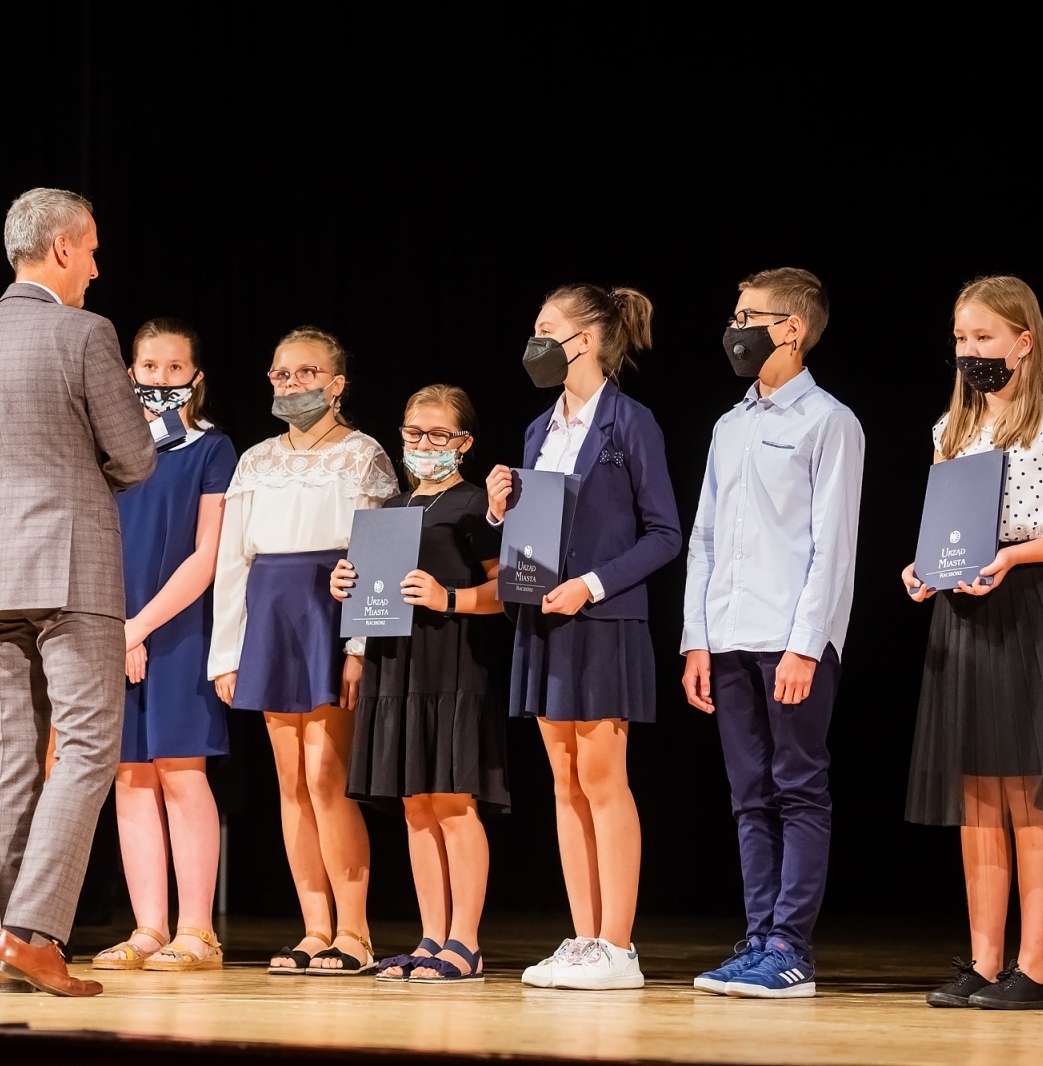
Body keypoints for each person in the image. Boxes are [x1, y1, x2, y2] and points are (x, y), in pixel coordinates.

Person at [0, 187, 156, 997]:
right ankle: (32, 933)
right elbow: (134, 459)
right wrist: (75, 474)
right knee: (91, 745)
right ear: (61, 249)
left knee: (10, 751)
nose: (97, 268)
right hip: (72, 567)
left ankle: (7, 935)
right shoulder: (84, 332)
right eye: (91, 249)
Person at [902, 275, 1043, 1011]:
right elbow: (946, 530)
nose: (970, 351)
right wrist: (924, 569)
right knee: (976, 800)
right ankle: (984, 963)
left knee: (1030, 797)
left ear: (1024, 342)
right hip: (965, 615)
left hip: (1033, 609)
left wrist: (1017, 556)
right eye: (961, 339)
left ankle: (1036, 968)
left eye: (984, 337)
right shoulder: (950, 431)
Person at [487, 284, 681, 991]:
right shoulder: (541, 430)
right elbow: (538, 536)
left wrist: (592, 584)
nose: (535, 340)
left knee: (603, 780)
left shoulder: (630, 423)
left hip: (603, 621)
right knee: (564, 784)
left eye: (547, 328)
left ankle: (618, 945)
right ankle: (583, 938)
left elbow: (665, 533)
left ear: (587, 340)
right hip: (545, 623)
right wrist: (500, 510)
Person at [682, 268, 864, 1000]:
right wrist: (696, 637)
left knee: (798, 788)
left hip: (790, 639)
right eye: (735, 314)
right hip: (727, 635)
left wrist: (807, 643)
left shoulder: (829, 421)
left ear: (791, 327)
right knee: (747, 794)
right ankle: (757, 937)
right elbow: (703, 536)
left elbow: (833, 545)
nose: (736, 327)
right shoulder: (731, 424)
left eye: (750, 315)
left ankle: (791, 946)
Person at [208, 327, 398, 977]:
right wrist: (226, 654)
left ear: (337, 383)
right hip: (271, 617)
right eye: (281, 375)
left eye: (306, 373)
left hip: (328, 614)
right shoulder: (256, 460)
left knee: (326, 777)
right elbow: (233, 562)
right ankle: (316, 929)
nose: (292, 385)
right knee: (290, 781)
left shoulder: (362, 454)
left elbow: (378, 552)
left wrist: (359, 646)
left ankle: (355, 930)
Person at [331, 384, 509, 984]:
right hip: (394, 666)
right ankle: (432, 937)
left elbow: (506, 591)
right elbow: (371, 593)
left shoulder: (476, 504)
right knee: (414, 806)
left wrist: (449, 597)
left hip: (453, 666)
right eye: (413, 432)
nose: (423, 444)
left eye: (438, 435)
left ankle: (466, 942)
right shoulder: (390, 510)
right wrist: (346, 585)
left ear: (464, 442)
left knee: (454, 803)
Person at [92, 318, 235, 973]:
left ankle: (197, 929)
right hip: (110, 626)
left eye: (175, 369)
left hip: (177, 631)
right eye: (150, 368)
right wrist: (113, 629)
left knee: (181, 770)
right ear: (130, 374)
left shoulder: (212, 449)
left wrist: (139, 627)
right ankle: (149, 926)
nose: (161, 380)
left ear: (195, 377)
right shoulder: (108, 451)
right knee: (129, 776)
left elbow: (207, 555)